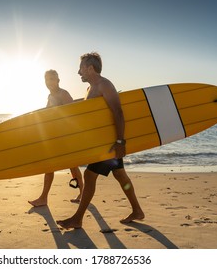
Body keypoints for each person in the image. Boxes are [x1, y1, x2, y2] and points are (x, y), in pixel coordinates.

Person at [56, 52, 145, 229]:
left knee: (89, 175)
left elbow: (118, 112)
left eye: (81, 68)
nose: (78, 72)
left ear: (90, 68)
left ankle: (77, 218)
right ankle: (137, 210)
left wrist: (120, 142)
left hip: (110, 143)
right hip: (104, 141)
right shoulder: (91, 88)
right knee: (120, 174)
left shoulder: (104, 85)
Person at [28, 70, 83, 207]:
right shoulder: (50, 96)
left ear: (58, 80)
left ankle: (45, 198)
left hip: (65, 137)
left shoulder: (63, 94)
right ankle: (81, 194)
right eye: (47, 79)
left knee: (70, 167)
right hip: (56, 137)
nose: (49, 82)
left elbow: (73, 113)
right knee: (64, 166)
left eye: (52, 79)